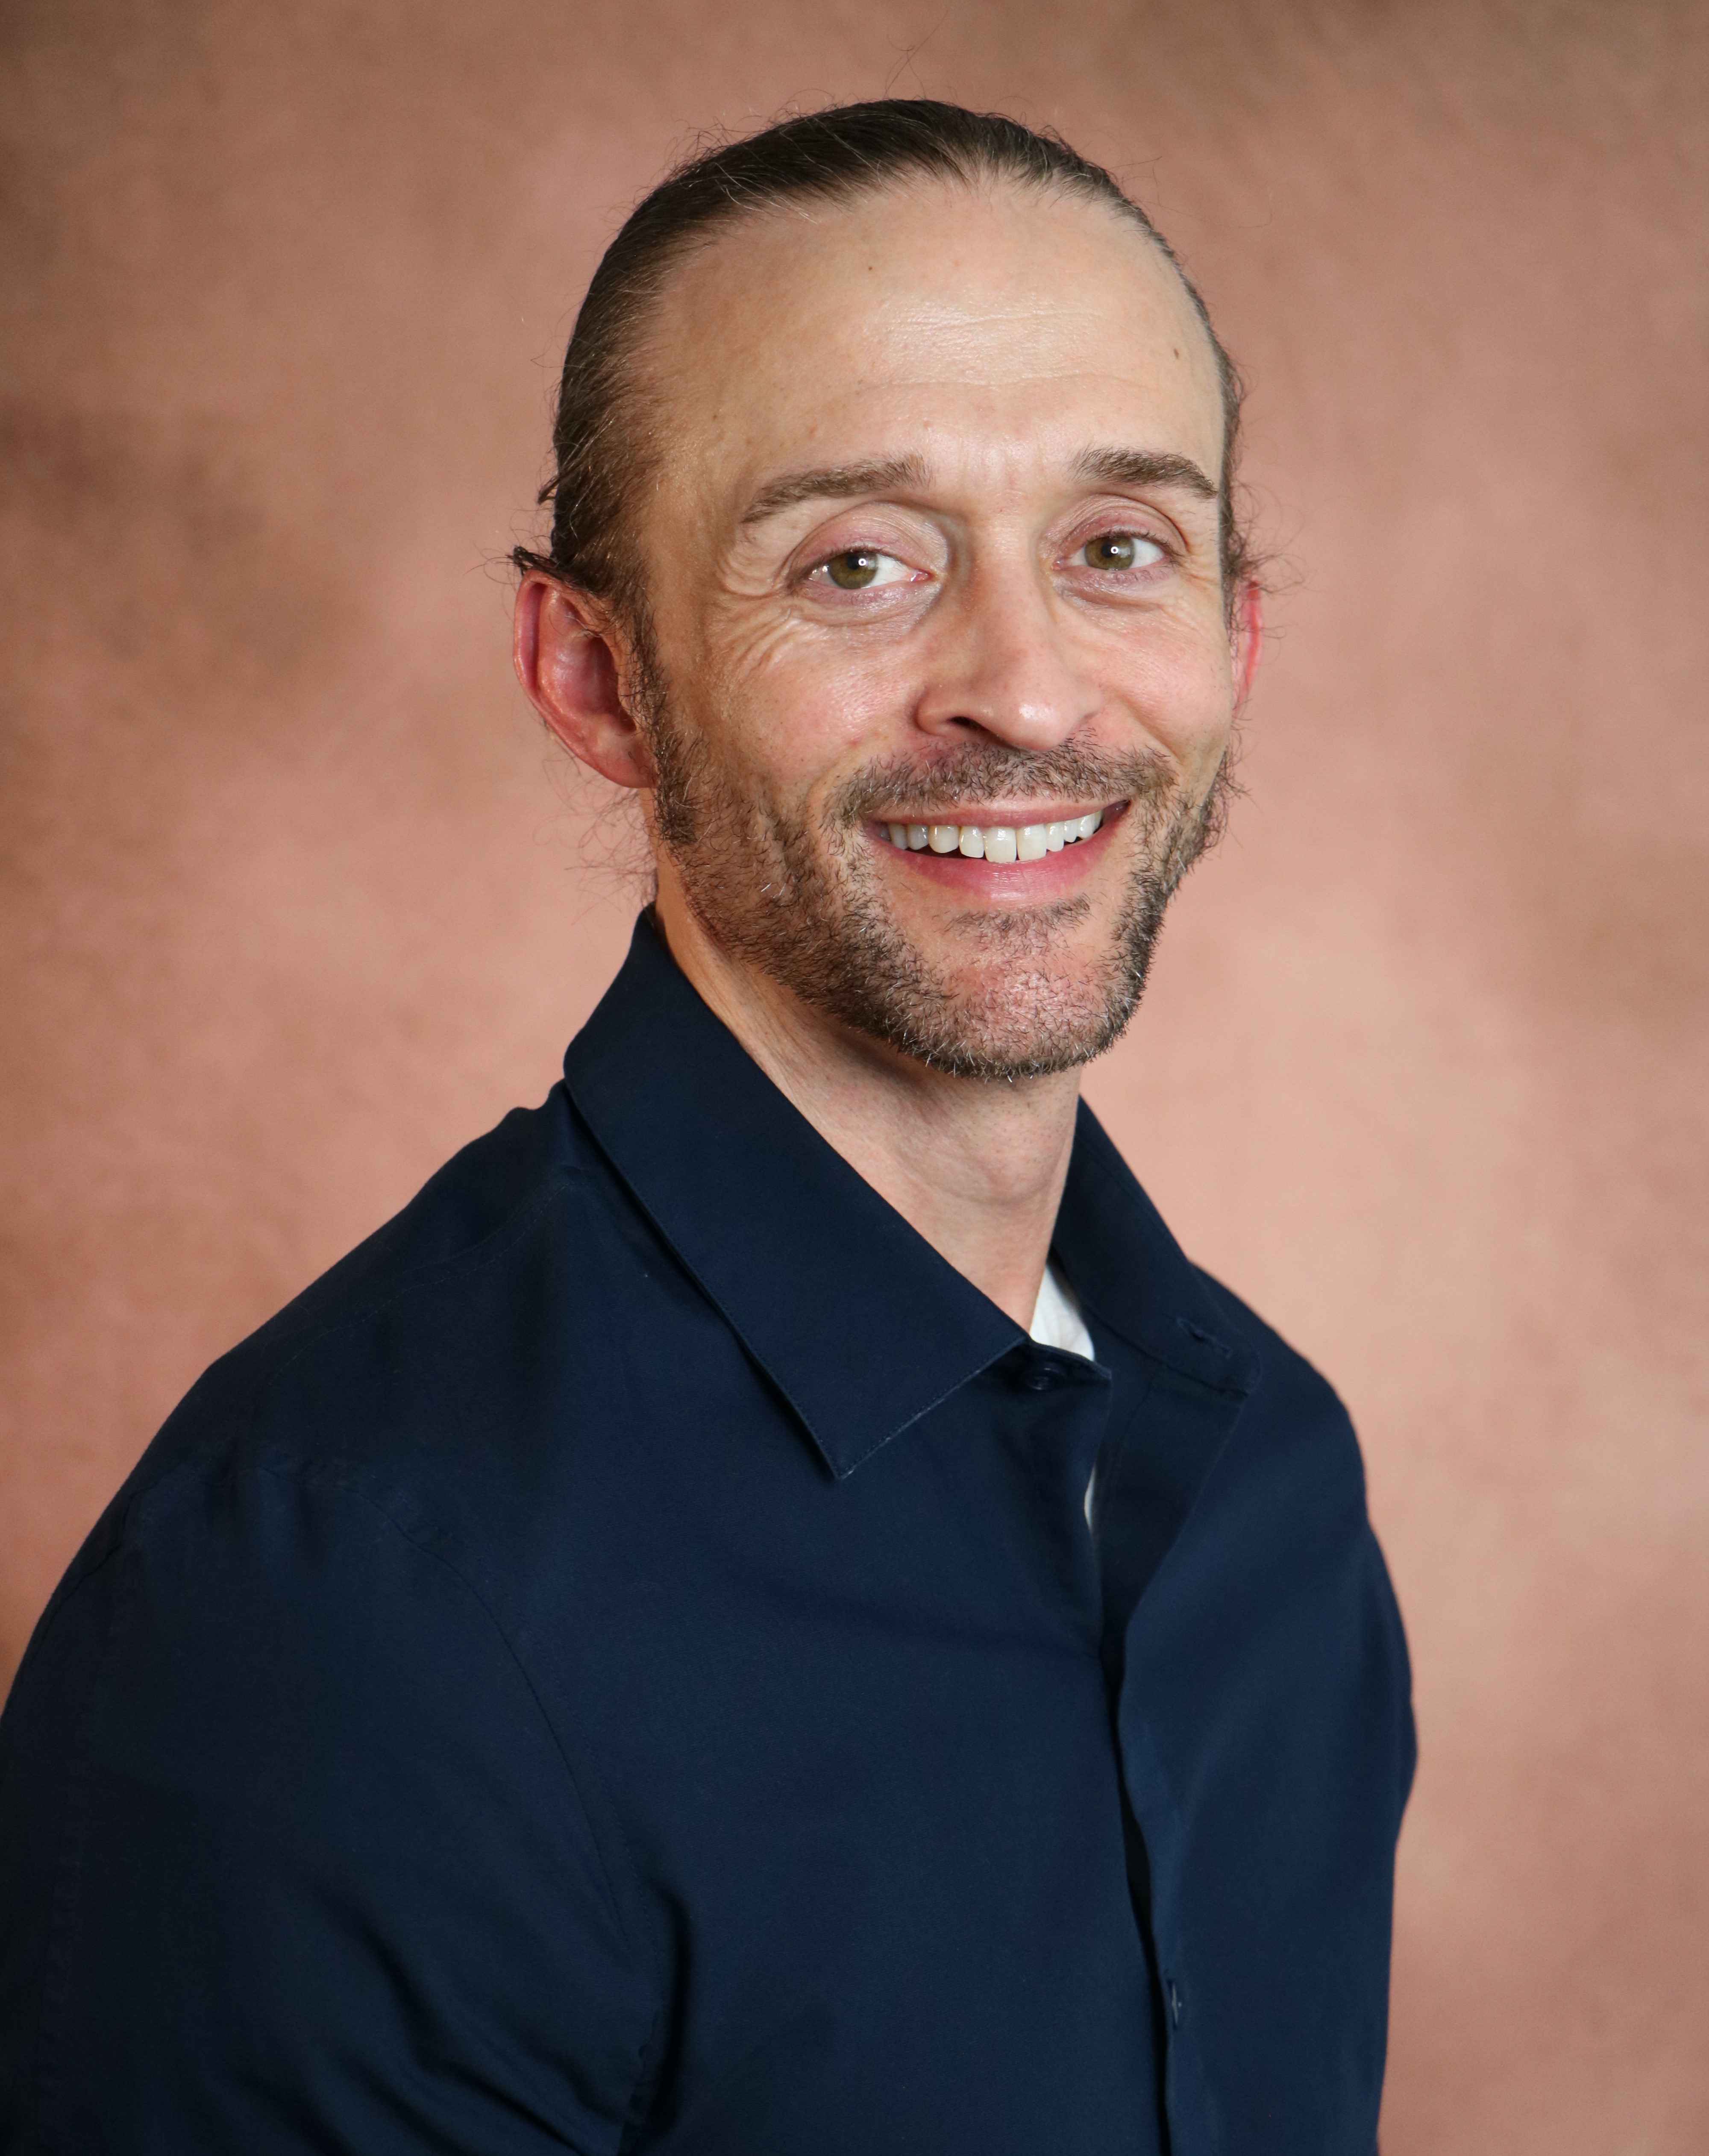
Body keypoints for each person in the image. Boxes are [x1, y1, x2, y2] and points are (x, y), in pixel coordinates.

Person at [0, 100, 1413, 2154]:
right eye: (859, 563)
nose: (1028, 693)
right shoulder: (339, 1606)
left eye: (1119, 547)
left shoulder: (1270, 1483)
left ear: (1234, 636)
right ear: (598, 676)